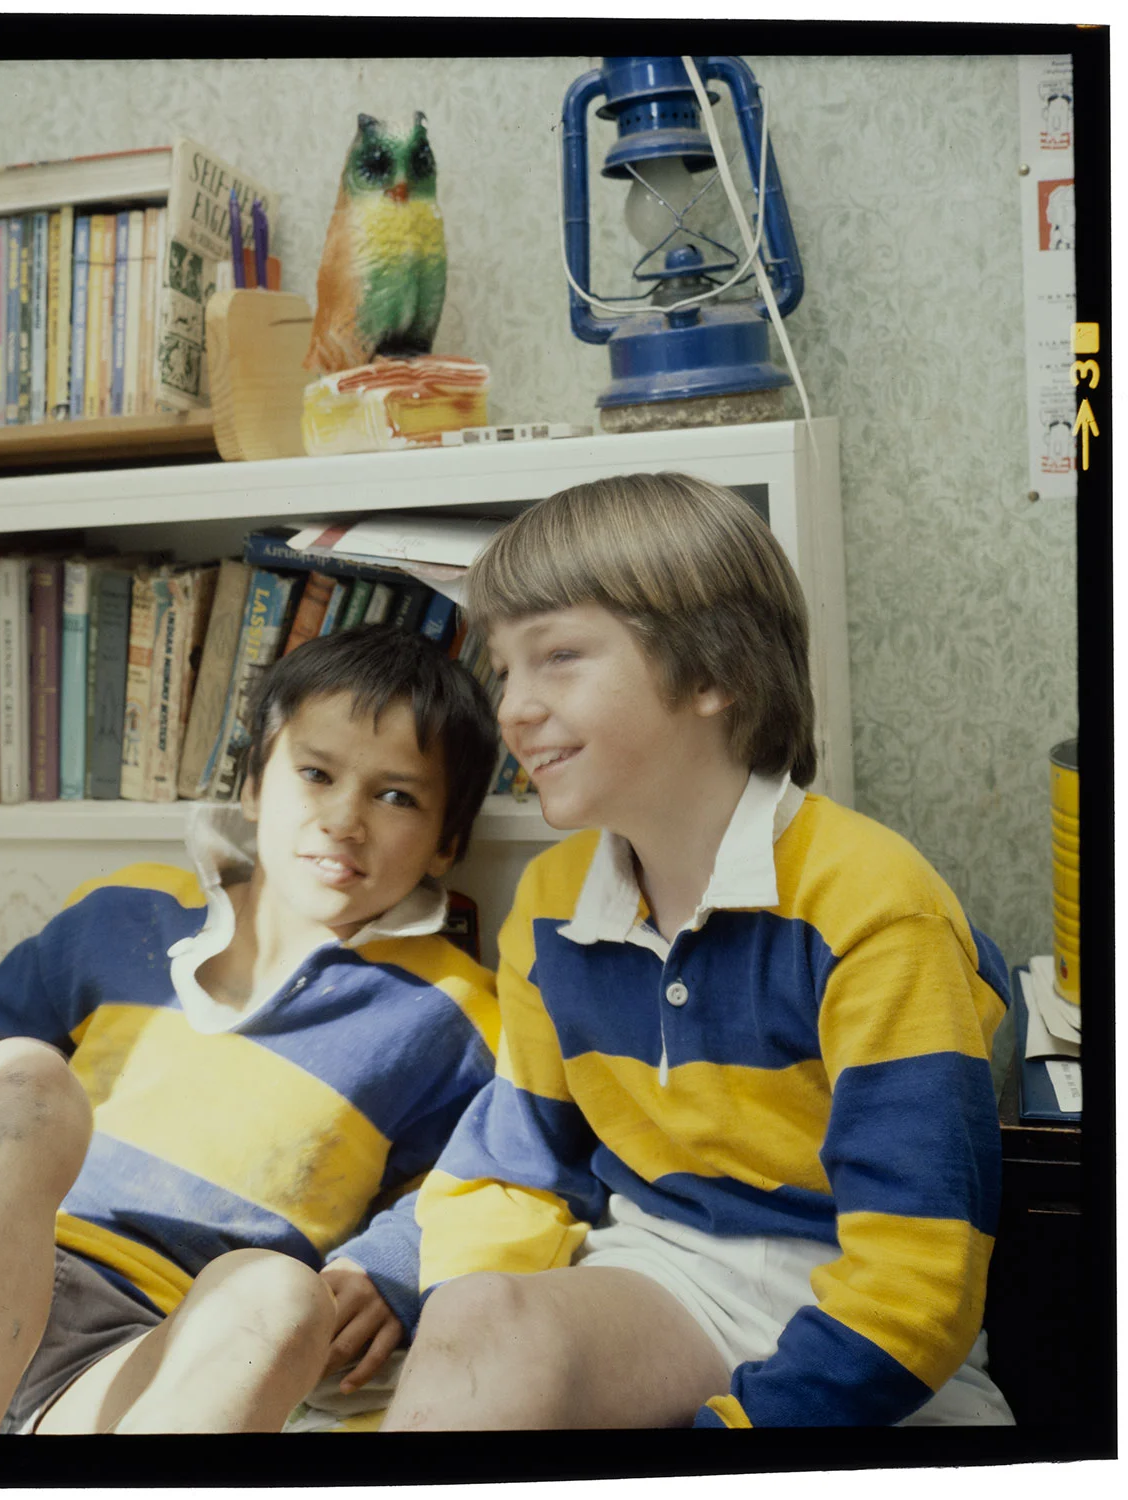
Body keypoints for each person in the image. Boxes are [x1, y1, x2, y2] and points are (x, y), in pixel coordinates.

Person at [382, 472, 1014, 1430]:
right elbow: (513, 1165)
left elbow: (918, 1280)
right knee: (481, 1322)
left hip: (859, 1314)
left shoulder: (875, 907)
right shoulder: (548, 908)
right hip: (660, 1272)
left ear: (715, 673)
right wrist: (443, 1317)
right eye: (504, 670)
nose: (510, 709)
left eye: (558, 656)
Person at [0, 624, 500, 1435]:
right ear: (253, 787)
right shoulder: (124, 913)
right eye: (315, 773)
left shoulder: (451, 1015)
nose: (344, 819)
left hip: (136, 1362)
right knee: (24, 1073)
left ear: (448, 842)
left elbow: (489, 1179)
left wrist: (390, 1264)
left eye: (396, 797)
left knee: (283, 1293)